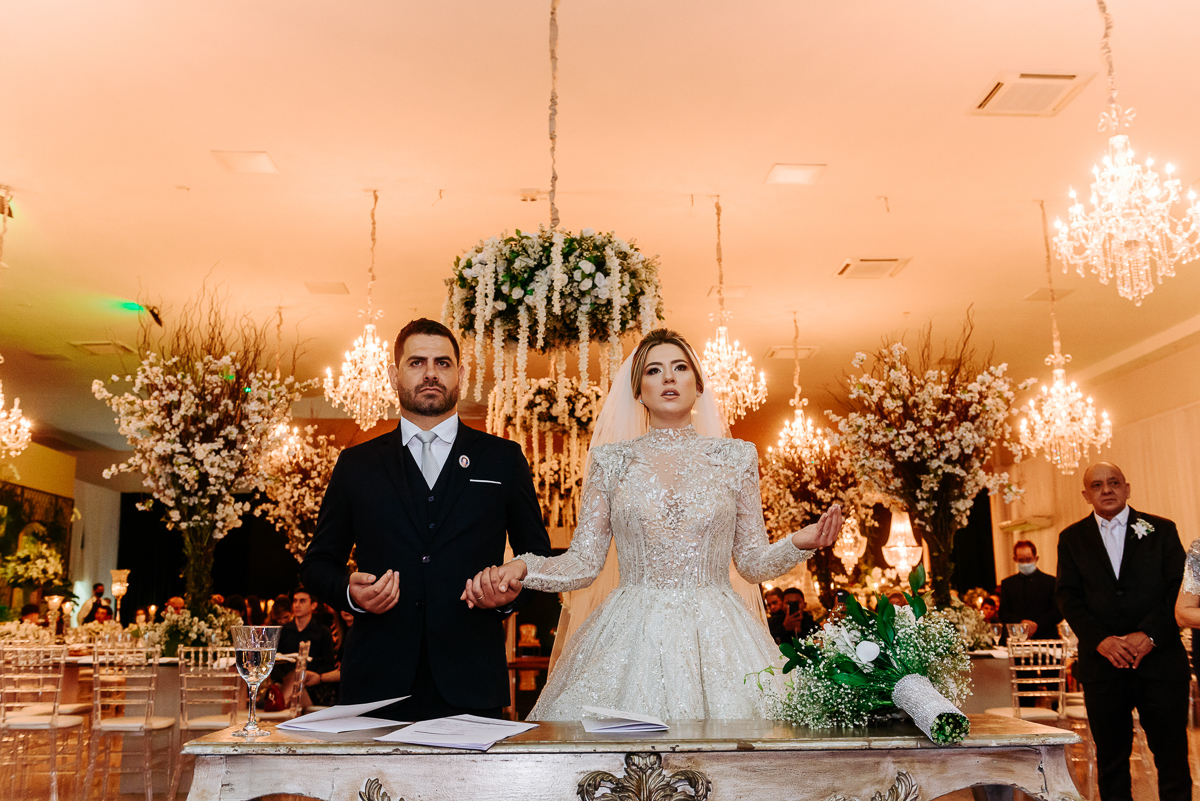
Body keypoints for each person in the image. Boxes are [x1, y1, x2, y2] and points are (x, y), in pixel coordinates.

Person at [465, 329, 842, 720]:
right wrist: (524, 567)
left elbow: (751, 563)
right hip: (632, 632)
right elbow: (584, 563)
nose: (668, 377)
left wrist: (799, 542)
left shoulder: (736, 457)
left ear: (698, 384)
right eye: (654, 370)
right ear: (638, 391)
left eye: (680, 368)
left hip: (718, 632)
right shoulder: (611, 461)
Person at [302, 318, 553, 721]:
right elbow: (317, 565)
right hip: (375, 684)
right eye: (417, 362)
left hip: (472, 681)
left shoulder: (503, 459)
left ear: (461, 375)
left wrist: (510, 595)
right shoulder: (356, 465)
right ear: (393, 375)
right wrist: (350, 593)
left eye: (443, 363)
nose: (431, 373)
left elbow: (538, 556)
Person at [1055, 462, 1190, 801]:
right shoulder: (1071, 539)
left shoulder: (1162, 530)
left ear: (1127, 488)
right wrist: (1100, 640)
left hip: (1160, 663)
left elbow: (1179, 588)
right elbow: (1068, 597)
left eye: (1114, 482)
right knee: (1111, 763)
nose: (1106, 490)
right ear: (1086, 495)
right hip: (1104, 667)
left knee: (1172, 759)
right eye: (1097, 485)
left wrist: (1150, 635)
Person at [275, 587, 337, 709]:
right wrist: (283, 677)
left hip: (311, 684)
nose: (297, 605)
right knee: (293, 677)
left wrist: (312, 674)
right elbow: (274, 661)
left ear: (313, 605)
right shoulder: (284, 631)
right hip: (285, 681)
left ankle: (283, 704)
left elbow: (329, 664)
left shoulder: (322, 632)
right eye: (295, 601)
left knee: (298, 677)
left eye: (302, 601)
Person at [1000, 540, 1061, 640]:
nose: (1025, 563)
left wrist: (1036, 624)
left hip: (1046, 637)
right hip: (1018, 638)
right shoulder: (1008, 583)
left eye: (1029, 560)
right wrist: (1021, 622)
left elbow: (1058, 611)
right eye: (1021, 560)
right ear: (1015, 559)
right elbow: (1003, 612)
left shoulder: (1051, 582)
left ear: (1036, 558)